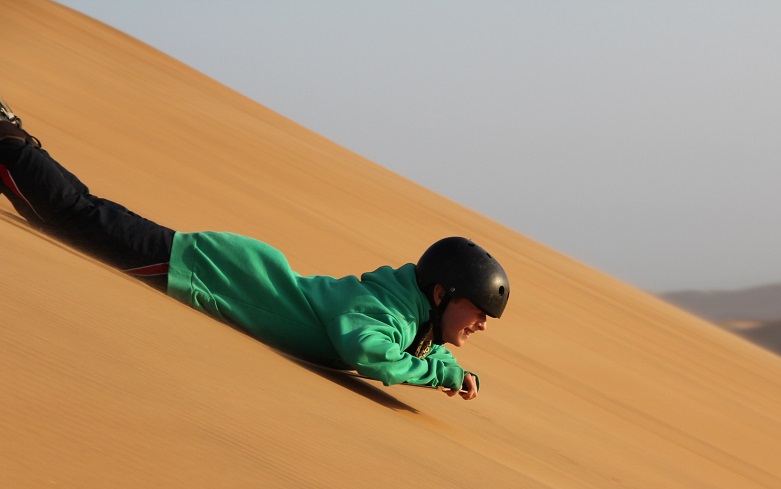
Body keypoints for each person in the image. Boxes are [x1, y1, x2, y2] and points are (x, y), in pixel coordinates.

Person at [0, 98, 509, 399]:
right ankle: (7, 139)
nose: (482, 323)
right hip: (204, 274)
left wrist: (450, 370)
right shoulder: (378, 310)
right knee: (72, 217)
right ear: (441, 293)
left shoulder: (410, 316)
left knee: (82, 215)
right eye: (479, 310)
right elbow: (370, 354)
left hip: (216, 271)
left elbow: (416, 348)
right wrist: (434, 372)